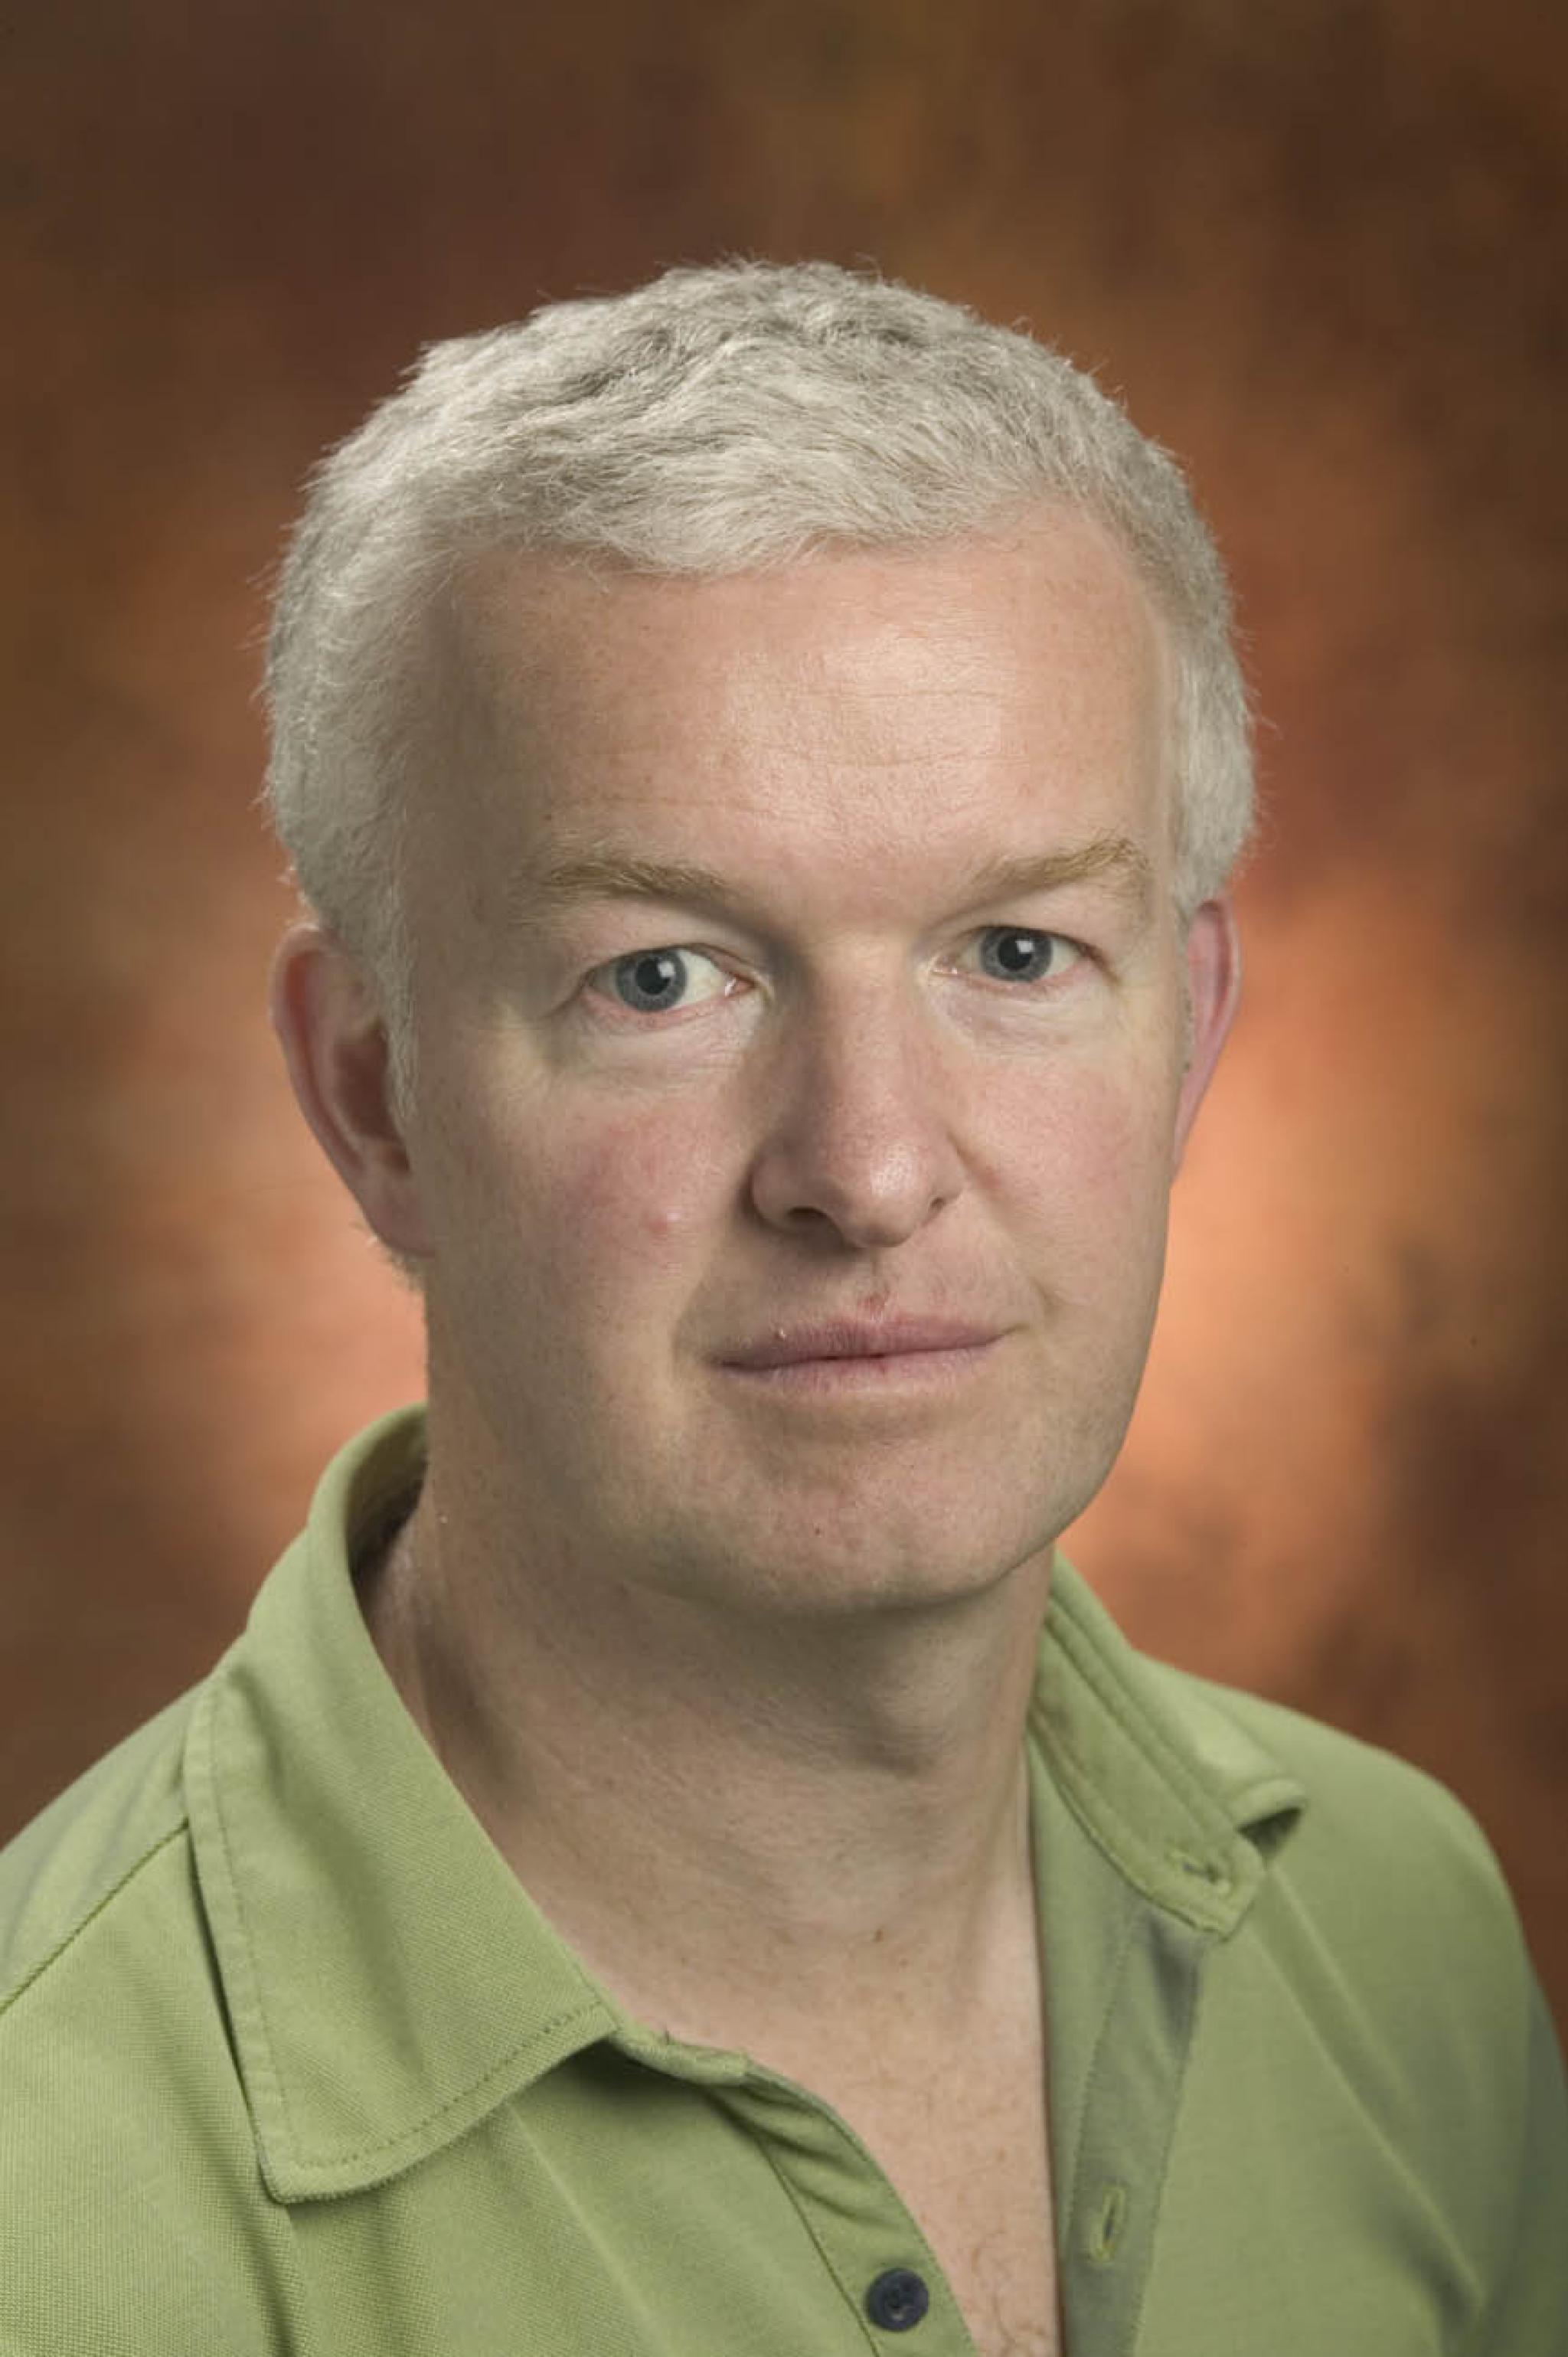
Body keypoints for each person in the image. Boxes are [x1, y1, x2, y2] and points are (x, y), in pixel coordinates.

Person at [2, 261, 1563, 2357]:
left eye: (1013, 953)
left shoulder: (1405, 1935)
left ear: (1186, 1037)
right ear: (374, 1097)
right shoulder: (54, 2196)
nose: (866, 1167)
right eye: (661, 976)